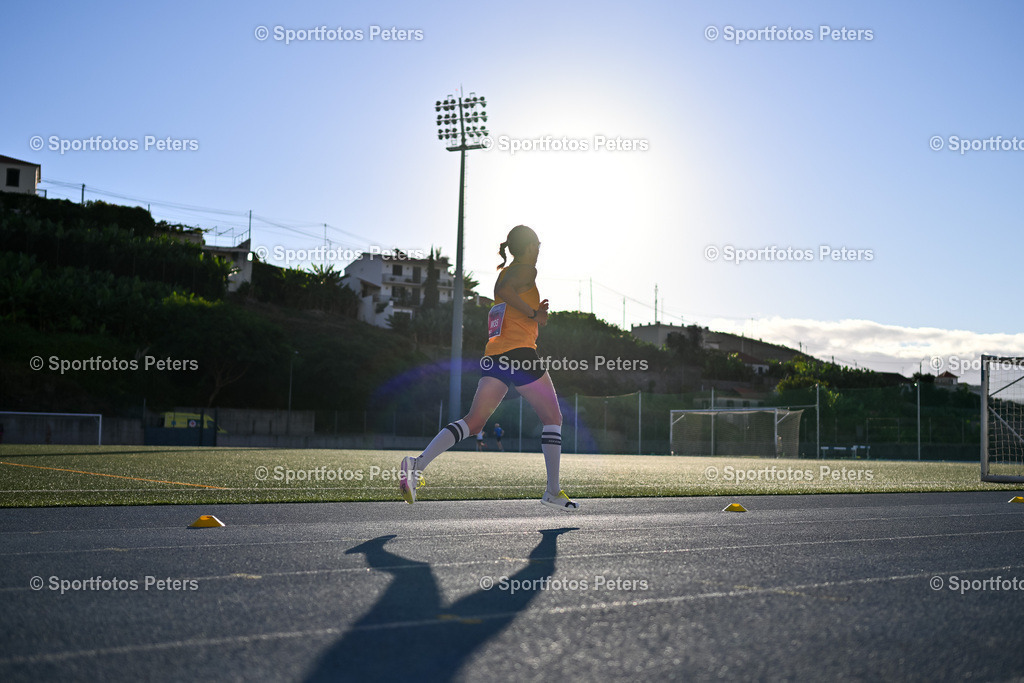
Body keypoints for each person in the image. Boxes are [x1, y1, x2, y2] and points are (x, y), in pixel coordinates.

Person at [399, 225, 579, 511]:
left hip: (496, 355)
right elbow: (503, 292)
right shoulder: (525, 270)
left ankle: (416, 464)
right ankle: (553, 491)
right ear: (529, 245)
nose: (540, 248)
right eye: (538, 243)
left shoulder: (509, 271)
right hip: (521, 354)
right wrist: (534, 313)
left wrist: (535, 314)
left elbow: (506, 296)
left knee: (474, 422)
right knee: (553, 417)